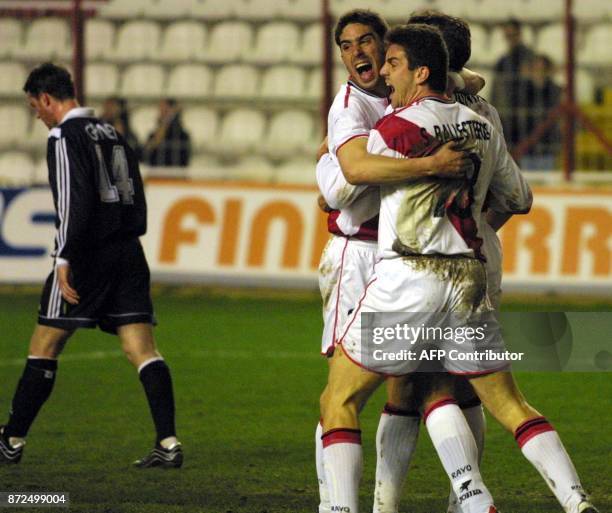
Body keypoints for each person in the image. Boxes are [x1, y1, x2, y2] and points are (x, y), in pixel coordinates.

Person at [326, 24, 599, 513]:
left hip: (409, 278)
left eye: (393, 64)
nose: (385, 73)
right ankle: (573, 500)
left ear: (422, 70)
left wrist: (329, 160)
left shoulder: (395, 128)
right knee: (503, 401)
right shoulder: (485, 124)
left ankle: (358, 509)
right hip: (469, 276)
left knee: (341, 400)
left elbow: (349, 183)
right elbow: (517, 197)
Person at [314, 10, 483, 513]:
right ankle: (333, 502)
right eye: (347, 46)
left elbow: (466, 76)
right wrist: (331, 162)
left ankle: (389, 504)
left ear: (390, 53)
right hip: (359, 255)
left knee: (414, 384)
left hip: (404, 260)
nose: (359, 53)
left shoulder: (402, 91)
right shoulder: (350, 107)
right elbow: (342, 182)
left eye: (369, 43)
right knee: (344, 392)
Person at [0, 63, 182, 468]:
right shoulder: (111, 132)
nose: (36, 116)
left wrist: (63, 257)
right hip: (127, 250)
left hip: (86, 254)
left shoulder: (65, 136)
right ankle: (168, 443)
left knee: (44, 345)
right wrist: (128, 235)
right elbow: (133, 191)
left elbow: (72, 201)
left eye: (35, 107)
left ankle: (10, 440)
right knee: (142, 349)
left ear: (47, 99)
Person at [491, 18, 535, 151]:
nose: (510, 38)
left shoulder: (530, 57)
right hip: (508, 115)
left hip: (527, 114)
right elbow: (496, 90)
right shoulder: (502, 61)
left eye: (513, 35)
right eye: (507, 35)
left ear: (519, 34)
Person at [521, 54, 562, 170]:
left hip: (548, 144)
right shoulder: (523, 90)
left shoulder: (555, 90)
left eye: (543, 69)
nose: (539, 72)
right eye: (536, 69)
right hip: (527, 145)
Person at [141, 98, 191, 167]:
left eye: (166, 111)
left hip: (175, 175)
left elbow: (183, 161)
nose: (161, 114)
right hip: (155, 175)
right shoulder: (153, 135)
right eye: (161, 110)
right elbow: (144, 156)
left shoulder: (183, 137)